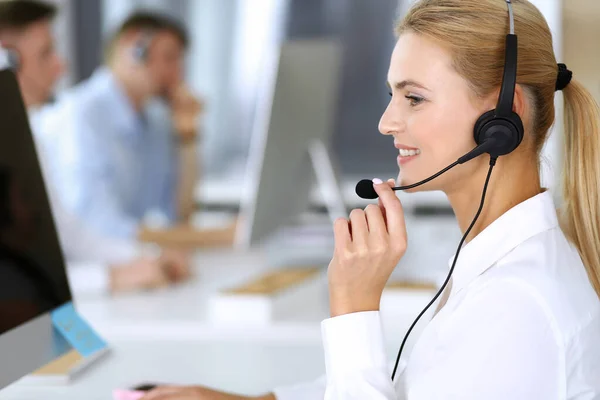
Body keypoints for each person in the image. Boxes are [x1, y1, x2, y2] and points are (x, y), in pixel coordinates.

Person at [141, 0, 600, 399]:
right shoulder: (489, 262)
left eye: (414, 98)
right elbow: (406, 385)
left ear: (505, 115)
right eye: (391, 95)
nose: (386, 122)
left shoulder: (515, 307)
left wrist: (353, 304)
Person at [0, 0, 190, 296]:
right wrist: (108, 278)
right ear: (6, 60)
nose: (60, 66)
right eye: (46, 53)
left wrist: (142, 257)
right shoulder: (80, 117)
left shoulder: (26, 133)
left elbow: (67, 234)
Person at [35, 10, 201, 240]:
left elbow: (179, 214)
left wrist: (188, 136)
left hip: (129, 257)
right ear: (134, 50)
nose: (177, 73)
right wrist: (216, 236)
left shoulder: (156, 122)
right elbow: (97, 227)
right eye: (169, 58)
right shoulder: (81, 115)